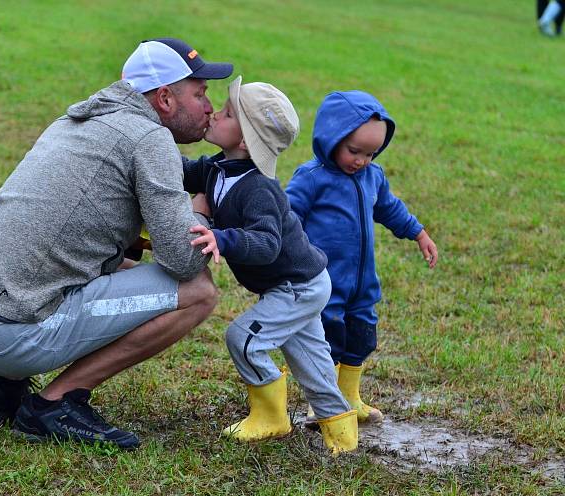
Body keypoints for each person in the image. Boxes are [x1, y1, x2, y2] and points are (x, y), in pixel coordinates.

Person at [0, 38, 233, 449]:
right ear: (165, 98)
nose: (209, 105)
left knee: (109, 263)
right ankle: (56, 404)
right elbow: (183, 261)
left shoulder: (80, 120)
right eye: (200, 94)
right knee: (198, 291)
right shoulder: (149, 139)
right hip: (8, 331)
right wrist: (201, 214)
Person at [183, 76, 357, 454]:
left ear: (244, 141)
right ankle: (343, 436)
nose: (215, 112)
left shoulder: (259, 188)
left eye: (227, 113)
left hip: (297, 287)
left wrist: (222, 237)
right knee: (311, 361)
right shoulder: (219, 166)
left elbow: (265, 244)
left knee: (243, 339)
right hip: (300, 284)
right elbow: (186, 172)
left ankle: (271, 418)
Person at [285, 91, 438, 426]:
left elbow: (389, 208)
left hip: (362, 283)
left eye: (371, 153)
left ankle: (350, 396)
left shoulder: (373, 176)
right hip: (325, 282)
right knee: (328, 341)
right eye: (354, 151)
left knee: (361, 337)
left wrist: (418, 233)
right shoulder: (312, 178)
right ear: (330, 139)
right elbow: (287, 215)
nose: (362, 161)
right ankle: (323, 403)